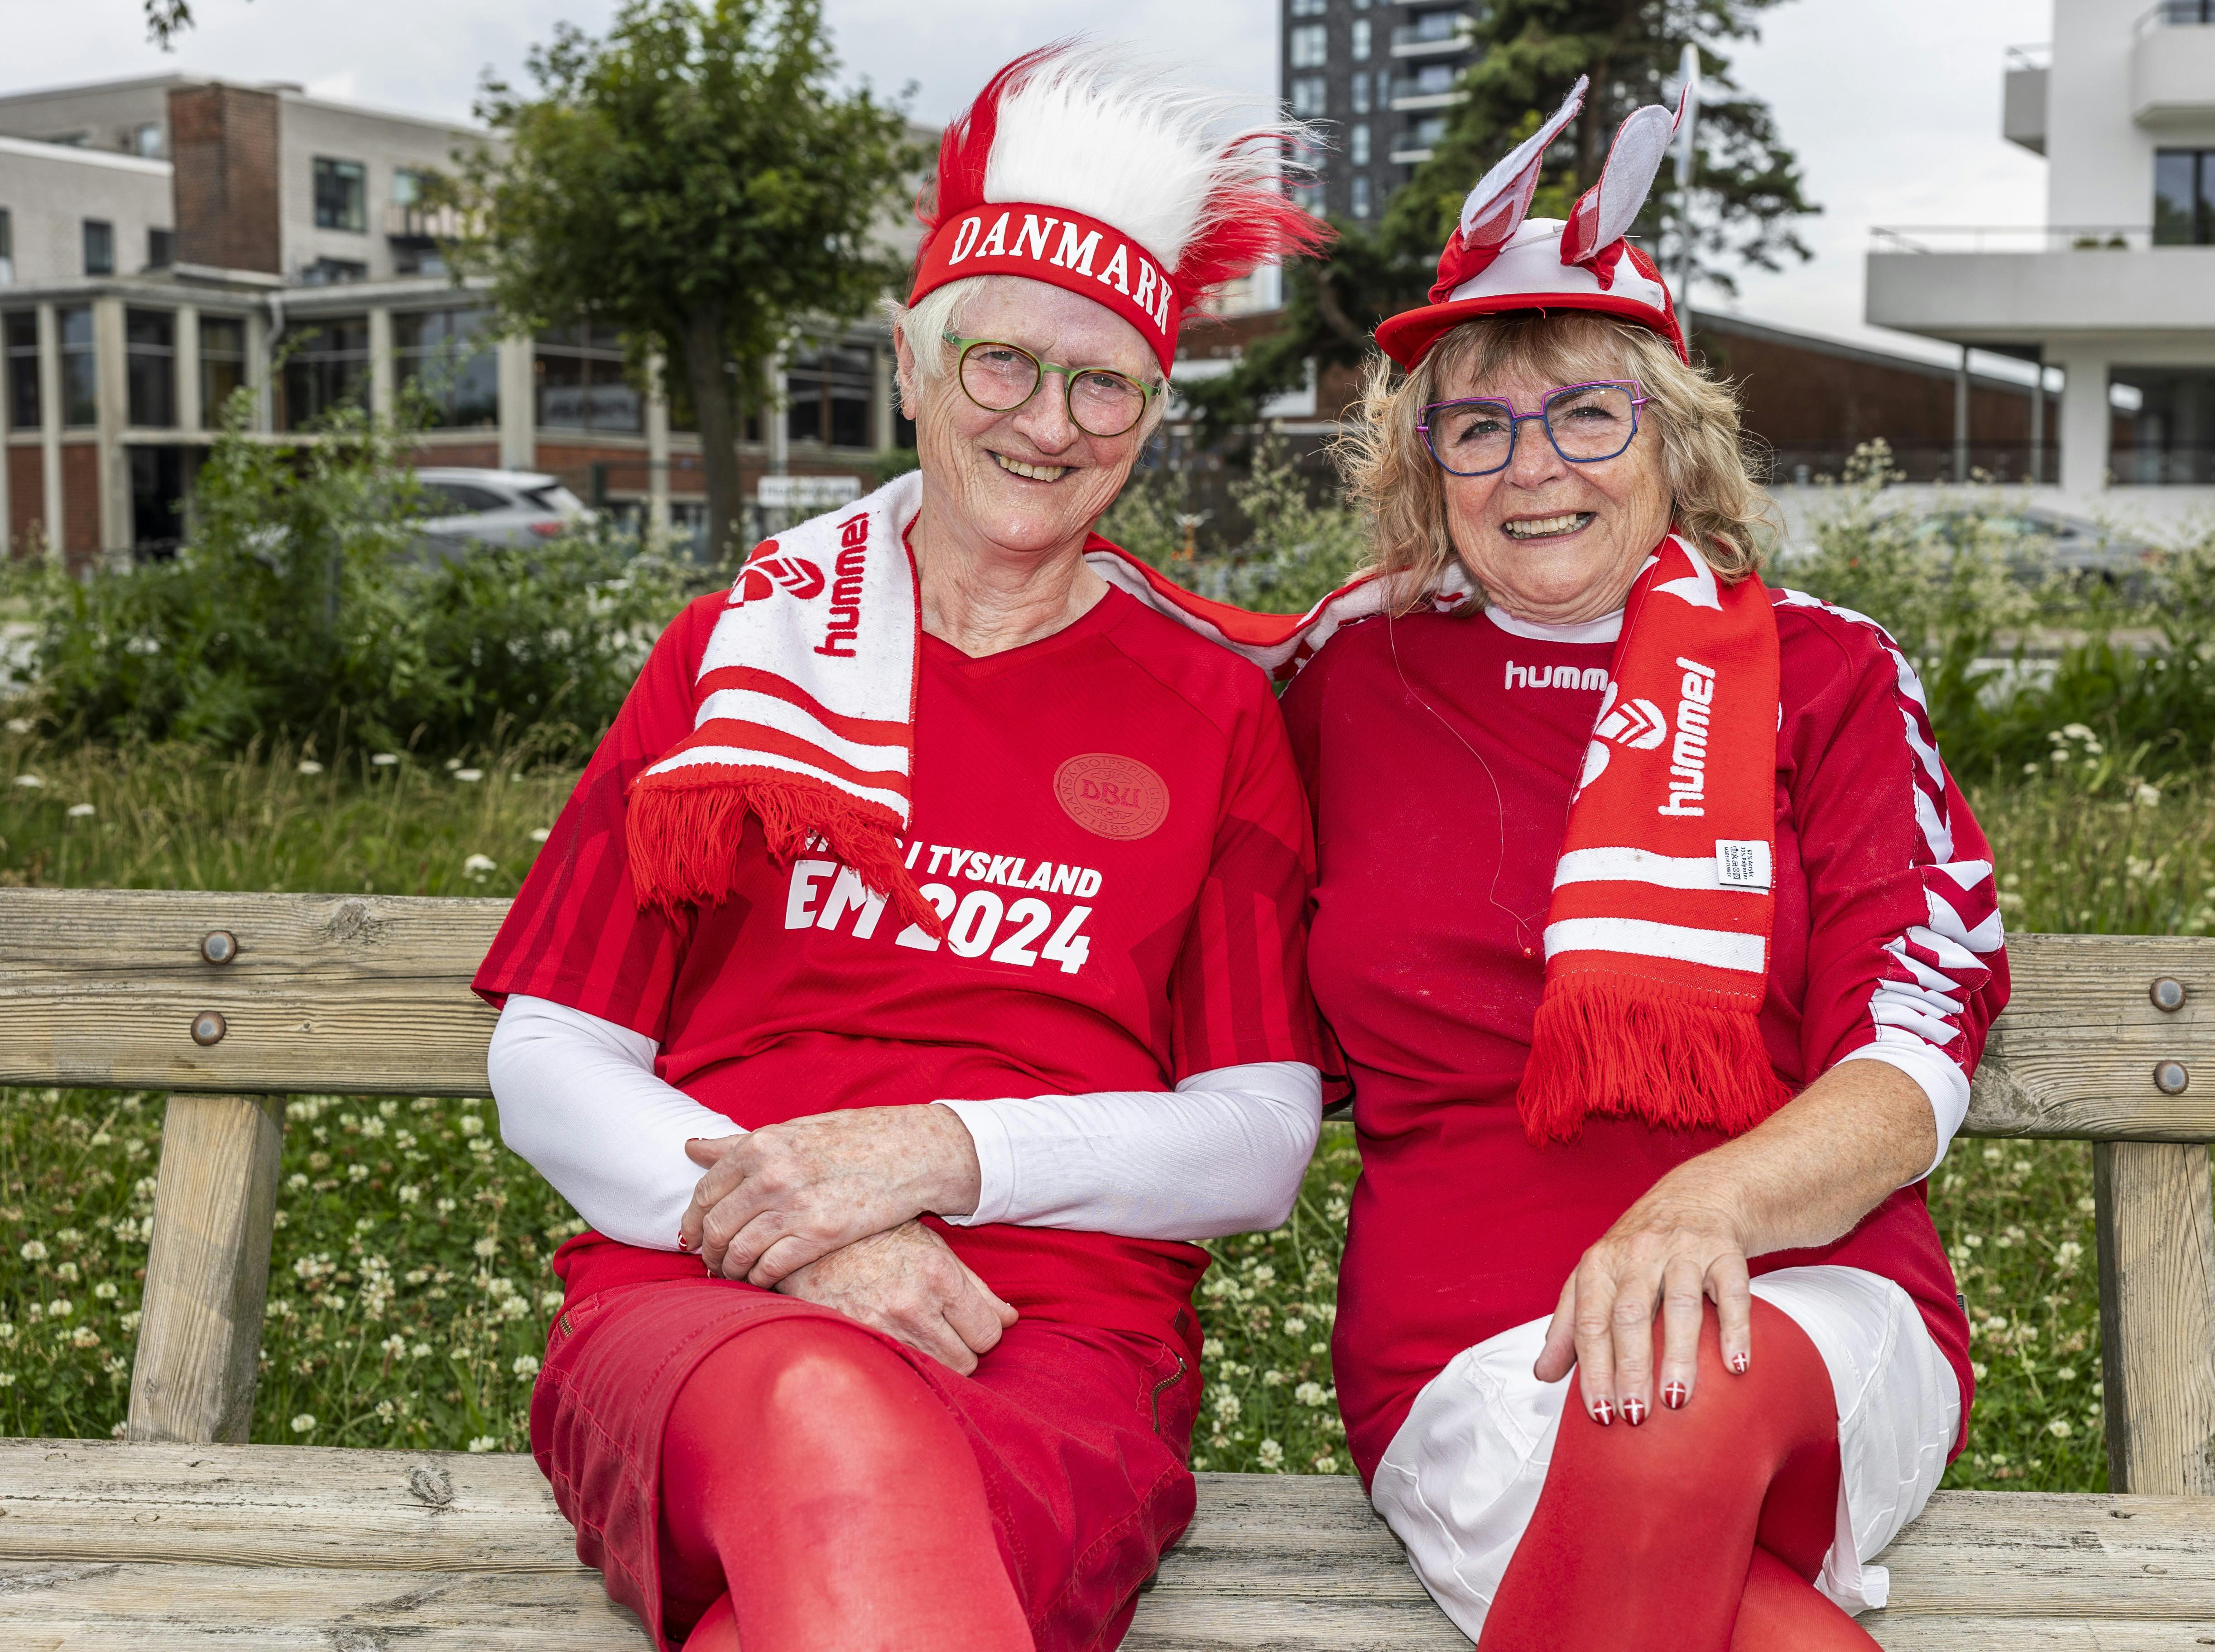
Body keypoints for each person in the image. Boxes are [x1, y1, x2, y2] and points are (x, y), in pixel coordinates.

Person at [471, 45, 1335, 1652]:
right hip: (709, 1294)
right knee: (828, 1426)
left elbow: (1257, 1139)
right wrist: (811, 1225)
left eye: (1106, 385)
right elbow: (551, 1057)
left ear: (1150, 413)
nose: (1049, 424)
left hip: (1055, 1327)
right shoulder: (739, 656)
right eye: (1003, 364)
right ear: (915, 364)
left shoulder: (1213, 709)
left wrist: (940, 1155)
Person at [1277, 80, 2010, 1649]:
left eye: (1587, 415)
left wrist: (1713, 1206)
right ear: (1424, 464)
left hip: (1803, 1292)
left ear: (1673, 442)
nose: (1533, 467)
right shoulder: (1344, 680)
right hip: (1467, 1349)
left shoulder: (1823, 671)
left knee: (1670, 1390)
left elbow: (1919, 1041)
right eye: (1479, 425)